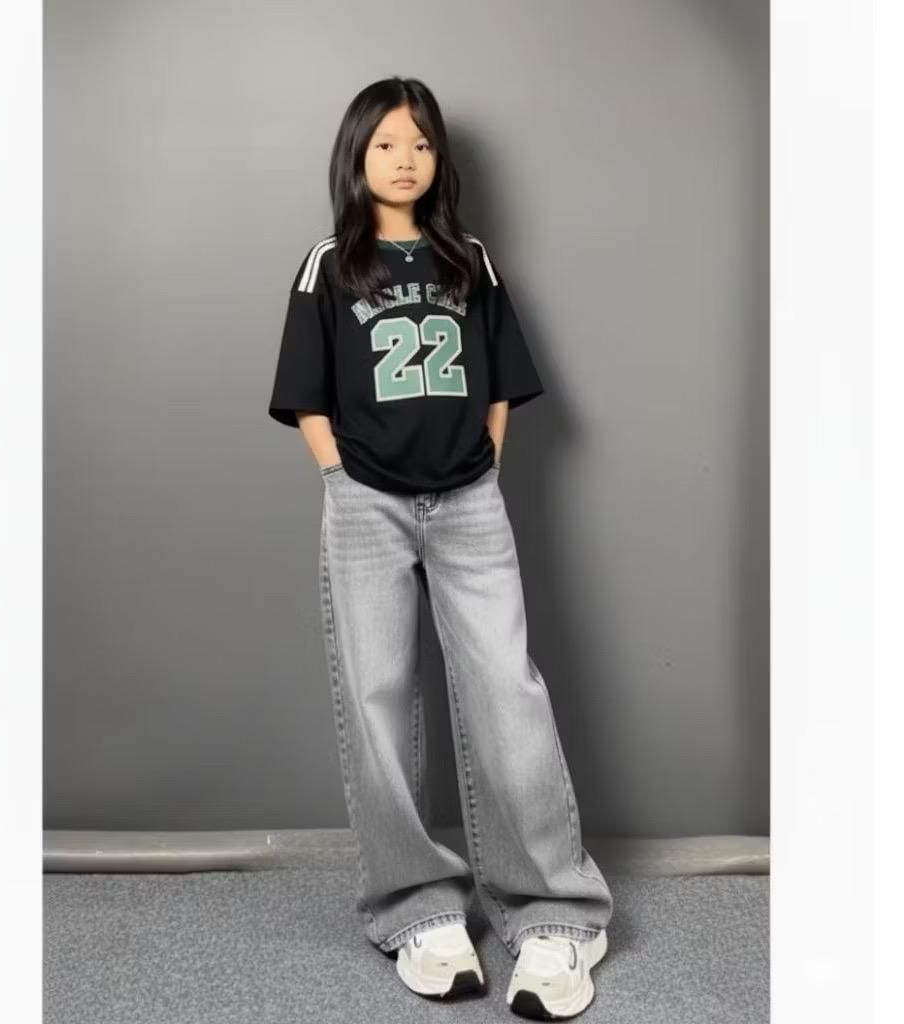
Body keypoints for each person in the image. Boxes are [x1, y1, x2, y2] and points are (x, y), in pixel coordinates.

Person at [267, 76, 614, 1020]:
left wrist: (485, 461)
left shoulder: (471, 260)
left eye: (421, 143)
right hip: (366, 506)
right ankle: (418, 909)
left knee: (506, 689)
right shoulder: (330, 263)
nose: (404, 158)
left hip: (467, 501)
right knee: (377, 698)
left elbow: (500, 378)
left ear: (439, 159)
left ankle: (554, 915)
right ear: (356, 155)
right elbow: (303, 392)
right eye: (385, 143)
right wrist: (341, 477)